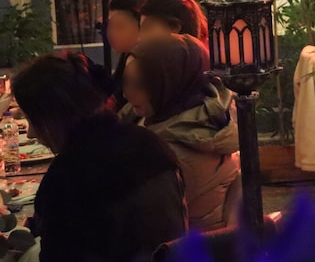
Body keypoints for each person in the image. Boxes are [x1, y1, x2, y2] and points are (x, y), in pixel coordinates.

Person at [12, 53, 186, 262]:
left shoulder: (68, 175)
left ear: (55, 117)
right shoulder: (150, 143)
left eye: (33, 121)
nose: (30, 133)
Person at [120, 34, 241, 232]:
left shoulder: (173, 153)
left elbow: (138, 222)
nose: (126, 93)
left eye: (139, 84)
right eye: (125, 81)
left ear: (171, 83)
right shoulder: (183, 115)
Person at [107, 0, 151, 110]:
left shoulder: (144, 66)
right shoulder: (126, 56)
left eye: (119, 27)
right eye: (110, 25)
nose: (111, 33)